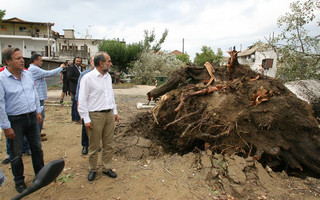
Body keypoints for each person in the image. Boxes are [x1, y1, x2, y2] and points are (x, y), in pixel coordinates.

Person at [0, 47, 44, 193]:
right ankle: (19, 181)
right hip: (15, 121)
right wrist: (6, 126)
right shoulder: (2, 79)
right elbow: (0, 104)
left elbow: (34, 94)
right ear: (8, 61)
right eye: (18, 58)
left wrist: (38, 111)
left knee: (37, 148)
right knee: (16, 153)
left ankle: (40, 175)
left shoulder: (28, 75)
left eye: (22, 57)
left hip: (31, 117)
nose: (22, 60)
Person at [78, 52, 119, 182]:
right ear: (101, 63)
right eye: (109, 61)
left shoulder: (108, 77)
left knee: (109, 144)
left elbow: (110, 95)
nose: (111, 64)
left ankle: (107, 168)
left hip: (108, 114)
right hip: (95, 116)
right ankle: (93, 169)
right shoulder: (88, 78)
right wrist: (86, 118)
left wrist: (115, 111)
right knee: (94, 146)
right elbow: (82, 100)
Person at [28, 54, 66, 141]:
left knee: (40, 115)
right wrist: (60, 68)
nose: (41, 62)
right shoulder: (34, 69)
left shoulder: (34, 68)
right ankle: (36, 135)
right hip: (37, 96)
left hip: (39, 96)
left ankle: (37, 133)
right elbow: (48, 73)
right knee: (40, 115)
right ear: (35, 60)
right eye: (40, 60)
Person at [75, 56, 94, 155]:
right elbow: (79, 90)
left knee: (96, 127)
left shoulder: (104, 75)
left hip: (96, 106)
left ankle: (94, 144)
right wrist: (78, 103)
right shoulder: (84, 74)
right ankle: (85, 145)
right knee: (85, 125)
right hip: (87, 105)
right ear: (90, 62)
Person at [68, 57, 83, 123]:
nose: (78, 62)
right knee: (76, 102)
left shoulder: (80, 68)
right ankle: (76, 118)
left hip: (79, 87)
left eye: (79, 61)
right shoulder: (71, 68)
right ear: (74, 61)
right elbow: (69, 77)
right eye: (77, 61)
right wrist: (79, 79)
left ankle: (75, 117)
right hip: (74, 87)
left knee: (75, 103)